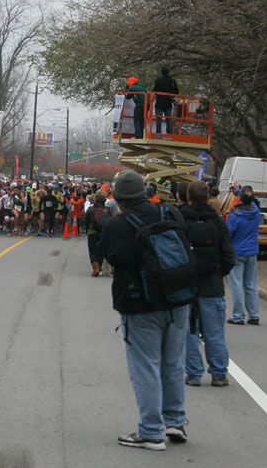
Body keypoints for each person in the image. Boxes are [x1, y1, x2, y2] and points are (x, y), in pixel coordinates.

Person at [99, 171, 190, 450]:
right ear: (145, 192)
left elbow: (112, 256)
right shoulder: (170, 213)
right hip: (178, 298)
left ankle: (150, 431)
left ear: (117, 198)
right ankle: (175, 420)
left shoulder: (117, 224)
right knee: (173, 363)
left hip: (140, 303)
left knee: (145, 366)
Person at [181, 181, 235, 387]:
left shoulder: (181, 220)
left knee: (188, 332)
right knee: (214, 332)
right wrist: (218, 272)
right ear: (207, 198)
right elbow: (229, 257)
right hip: (212, 285)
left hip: (186, 285)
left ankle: (194, 374)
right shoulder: (218, 223)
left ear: (188, 198)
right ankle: (219, 373)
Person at [226, 185, 261, 325]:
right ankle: (254, 315)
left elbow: (227, 234)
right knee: (251, 285)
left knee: (236, 285)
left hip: (237, 252)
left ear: (239, 199)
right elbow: (249, 199)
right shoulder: (256, 212)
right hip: (252, 252)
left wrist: (237, 191)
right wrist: (239, 190)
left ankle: (238, 316)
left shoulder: (235, 216)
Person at [83, 190, 111, 276]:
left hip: (92, 231)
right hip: (104, 232)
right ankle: (99, 266)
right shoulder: (107, 209)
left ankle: (95, 268)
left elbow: (85, 220)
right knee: (101, 251)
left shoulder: (91, 209)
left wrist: (86, 229)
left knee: (92, 250)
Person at [152, 67, 179, 134]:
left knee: (159, 118)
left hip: (159, 102)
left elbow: (154, 91)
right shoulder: (172, 81)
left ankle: (158, 133)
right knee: (169, 119)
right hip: (168, 102)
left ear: (162, 72)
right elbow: (176, 92)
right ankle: (169, 133)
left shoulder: (158, 80)